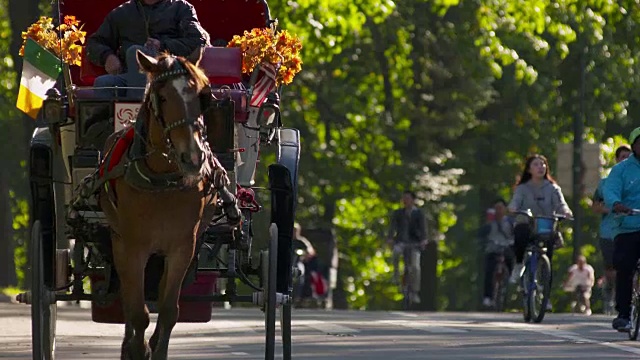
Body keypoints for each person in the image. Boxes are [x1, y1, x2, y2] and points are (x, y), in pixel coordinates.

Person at [85, 0, 210, 98]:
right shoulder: (122, 12)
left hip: (169, 74)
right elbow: (95, 43)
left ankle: (139, 119)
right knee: (104, 84)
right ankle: (109, 130)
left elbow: (197, 41)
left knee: (135, 52)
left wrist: (162, 45)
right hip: (131, 75)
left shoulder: (181, 8)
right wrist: (107, 56)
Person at [507, 154, 573, 303]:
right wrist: (513, 207)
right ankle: (519, 264)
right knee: (521, 232)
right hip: (527, 223)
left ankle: (545, 296)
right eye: (536, 164)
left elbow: (561, 204)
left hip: (545, 225)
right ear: (529, 169)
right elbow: (515, 202)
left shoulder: (553, 188)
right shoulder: (522, 188)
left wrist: (566, 211)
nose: (540, 167)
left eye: (542, 164)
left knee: (548, 258)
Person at [603, 127, 640, 331]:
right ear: (634, 146)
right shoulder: (621, 170)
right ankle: (624, 314)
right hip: (627, 226)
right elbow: (610, 189)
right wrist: (616, 204)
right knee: (625, 267)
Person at [591, 144, 631, 314]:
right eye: (623, 157)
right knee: (612, 268)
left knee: (629, 267)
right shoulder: (606, 183)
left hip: (632, 229)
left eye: (629, 157)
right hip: (610, 231)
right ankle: (610, 293)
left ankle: (628, 299)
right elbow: (595, 206)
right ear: (617, 160)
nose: (626, 160)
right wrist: (614, 208)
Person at [387, 190, 429, 304]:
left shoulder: (419, 213)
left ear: (413, 200)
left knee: (415, 267)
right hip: (401, 242)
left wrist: (424, 240)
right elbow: (392, 227)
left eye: (407, 198)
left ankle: (415, 291)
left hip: (414, 244)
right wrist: (390, 239)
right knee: (395, 253)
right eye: (404, 198)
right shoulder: (398, 213)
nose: (405, 201)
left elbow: (423, 228)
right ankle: (395, 275)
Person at [479, 199, 515, 308]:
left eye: (501, 208)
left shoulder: (509, 222)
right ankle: (488, 297)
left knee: (511, 263)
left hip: (507, 248)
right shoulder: (490, 223)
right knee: (489, 271)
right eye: (496, 208)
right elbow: (482, 234)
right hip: (493, 250)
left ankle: (510, 283)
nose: (499, 211)